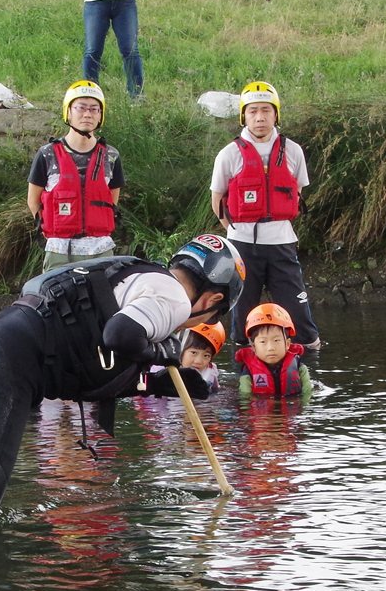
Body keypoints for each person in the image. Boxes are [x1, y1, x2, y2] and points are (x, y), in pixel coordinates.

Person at [0, 233, 245, 538]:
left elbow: (90, 363)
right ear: (211, 299)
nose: (190, 326)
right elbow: (120, 334)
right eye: (208, 315)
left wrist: (157, 383)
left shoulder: (134, 277)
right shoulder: (174, 298)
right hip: (4, 371)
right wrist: (161, 349)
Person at [210, 80, 322, 355]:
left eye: (266, 111)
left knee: (298, 314)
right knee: (243, 314)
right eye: (253, 111)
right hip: (241, 243)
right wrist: (237, 232)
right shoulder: (229, 154)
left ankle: (308, 370)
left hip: (281, 241)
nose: (259, 117)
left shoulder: (293, 151)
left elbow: (295, 193)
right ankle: (244, 371)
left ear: (276, 115)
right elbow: (218, 202)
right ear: (244, 116)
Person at [26, 81, 122, 270]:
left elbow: (112, 200)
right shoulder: (47, 154)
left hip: (100, 248)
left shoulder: (111, 156)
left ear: (100, 115)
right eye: (81, 108)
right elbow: (33, 200)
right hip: (59, 250)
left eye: (94, 109)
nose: (87, 114)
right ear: (68, 111)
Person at [135, 321, 225, 397]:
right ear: (180, 349)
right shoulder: (161, 369)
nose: (198, 361)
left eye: (206, 356)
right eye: (194, 353)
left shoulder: (210, 371)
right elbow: (151, 402)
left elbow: (214, 393)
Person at [234, 303, 306, 397]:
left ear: (287, 344)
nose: (271, 348)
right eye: (263, 342)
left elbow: (307, 394)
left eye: (276, 340)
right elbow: (245, 398)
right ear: (254, 347)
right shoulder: (248, 372)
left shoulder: (299, 367)